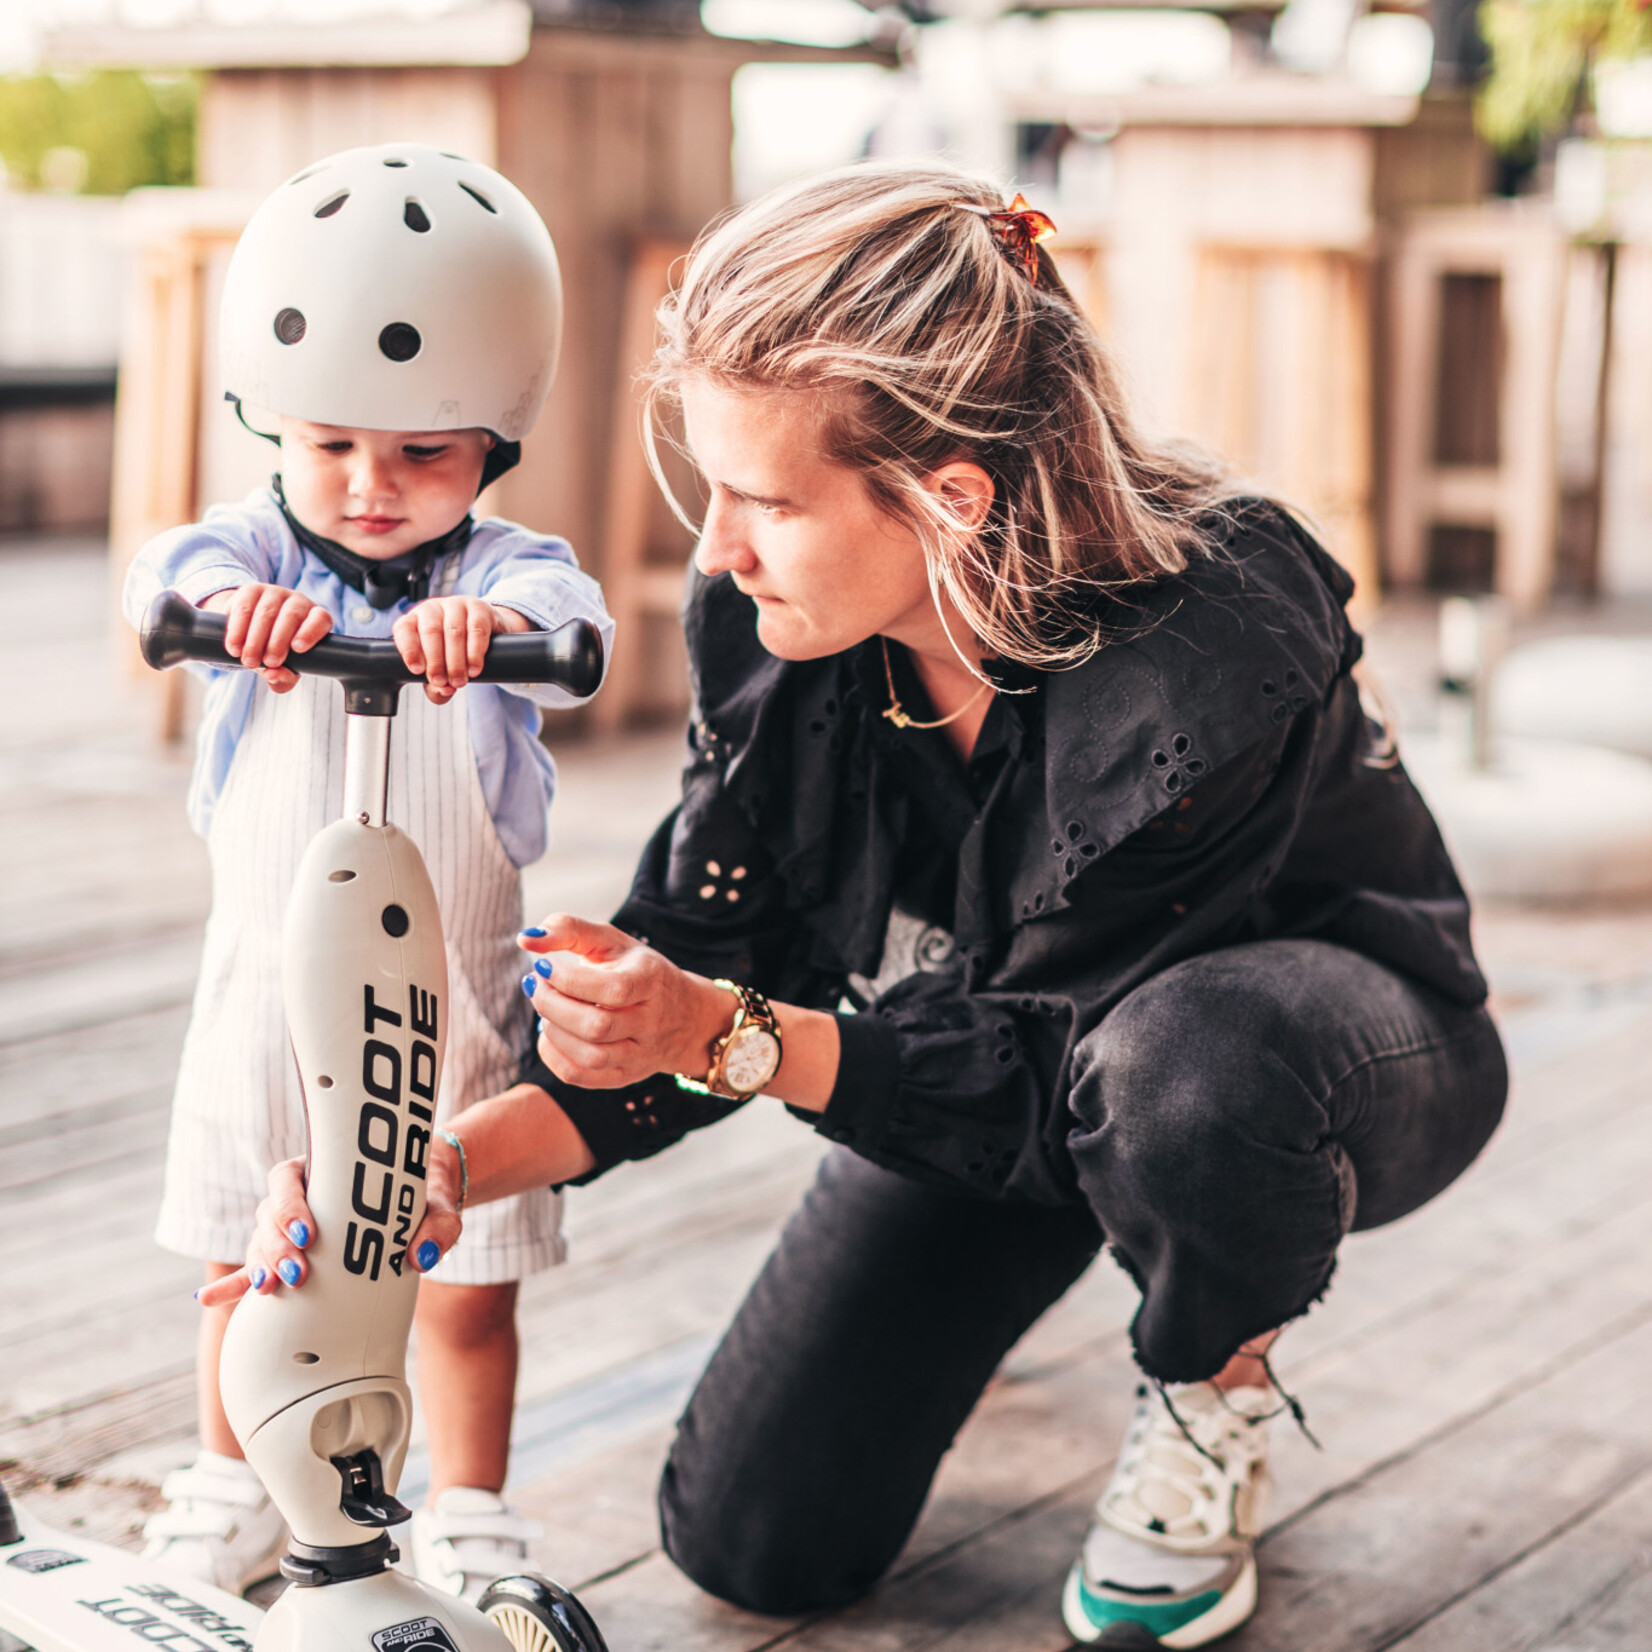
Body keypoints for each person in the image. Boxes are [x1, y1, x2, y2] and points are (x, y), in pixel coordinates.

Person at [213, 160, 1507, 1648]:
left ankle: (1213, 1379)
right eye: (711, 489)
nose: (718, 547)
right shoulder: (777, 625)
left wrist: (730, 1031)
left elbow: (1039, 1066)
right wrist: (424, 1172)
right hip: (985, 1064)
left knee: (1177, 1084)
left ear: (950, 500)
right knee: (754, 1538)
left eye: (765, 500)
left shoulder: (1203, 645)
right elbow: (701, 973)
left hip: (1317, 1063)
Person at [125, 143, 613, 1602]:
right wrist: (228, 607)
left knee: (462, 1286)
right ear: (269, 419)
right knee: (245, 1265)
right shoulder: (255, 544)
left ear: (494, 442)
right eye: (331, 442)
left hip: (442, 1014)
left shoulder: (500, 574)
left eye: (425, 454)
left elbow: (567, 616)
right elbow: (173, 575)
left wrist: (494, 632)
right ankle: (232, 1481)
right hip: (264, 1003)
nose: (372, 486)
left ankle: (465, 1507)